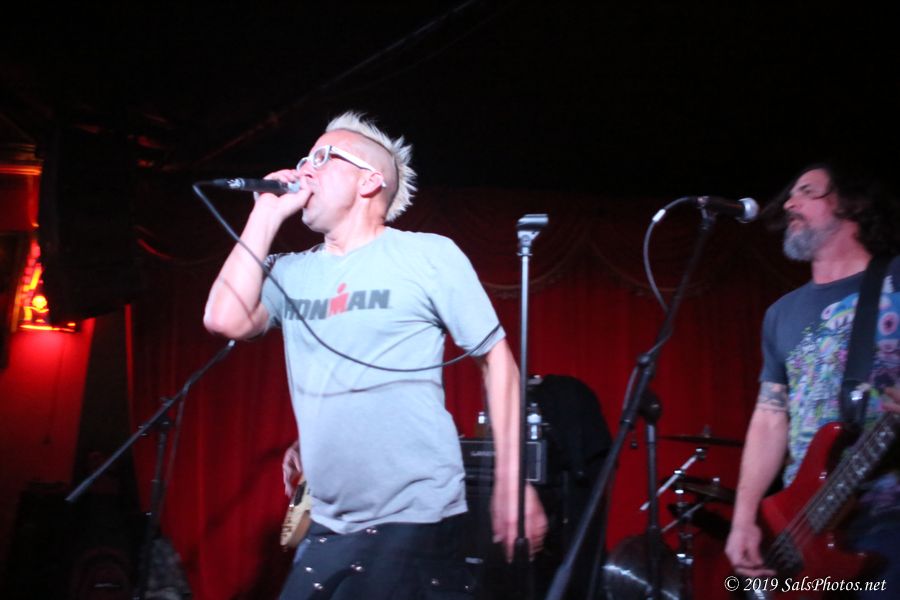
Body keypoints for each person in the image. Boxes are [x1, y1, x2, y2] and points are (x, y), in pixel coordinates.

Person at [203, 111, 546, 599]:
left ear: (369, 181)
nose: (304, 169)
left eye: (323, 157)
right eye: (304, 158)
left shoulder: (428, 256)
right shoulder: (290, 272)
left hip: (415, 518)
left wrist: (512, 479)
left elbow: (498, 363)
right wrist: (265, 214)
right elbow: (223, 319)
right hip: (328, 521)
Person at [725, 162, 900, 596]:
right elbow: (770, 418)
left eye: (807, 191)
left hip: (889, 512)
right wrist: (743, 519)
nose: (789, 204)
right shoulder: (781, 314)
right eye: (790, 194)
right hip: (806, 525)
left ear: (852, 204)